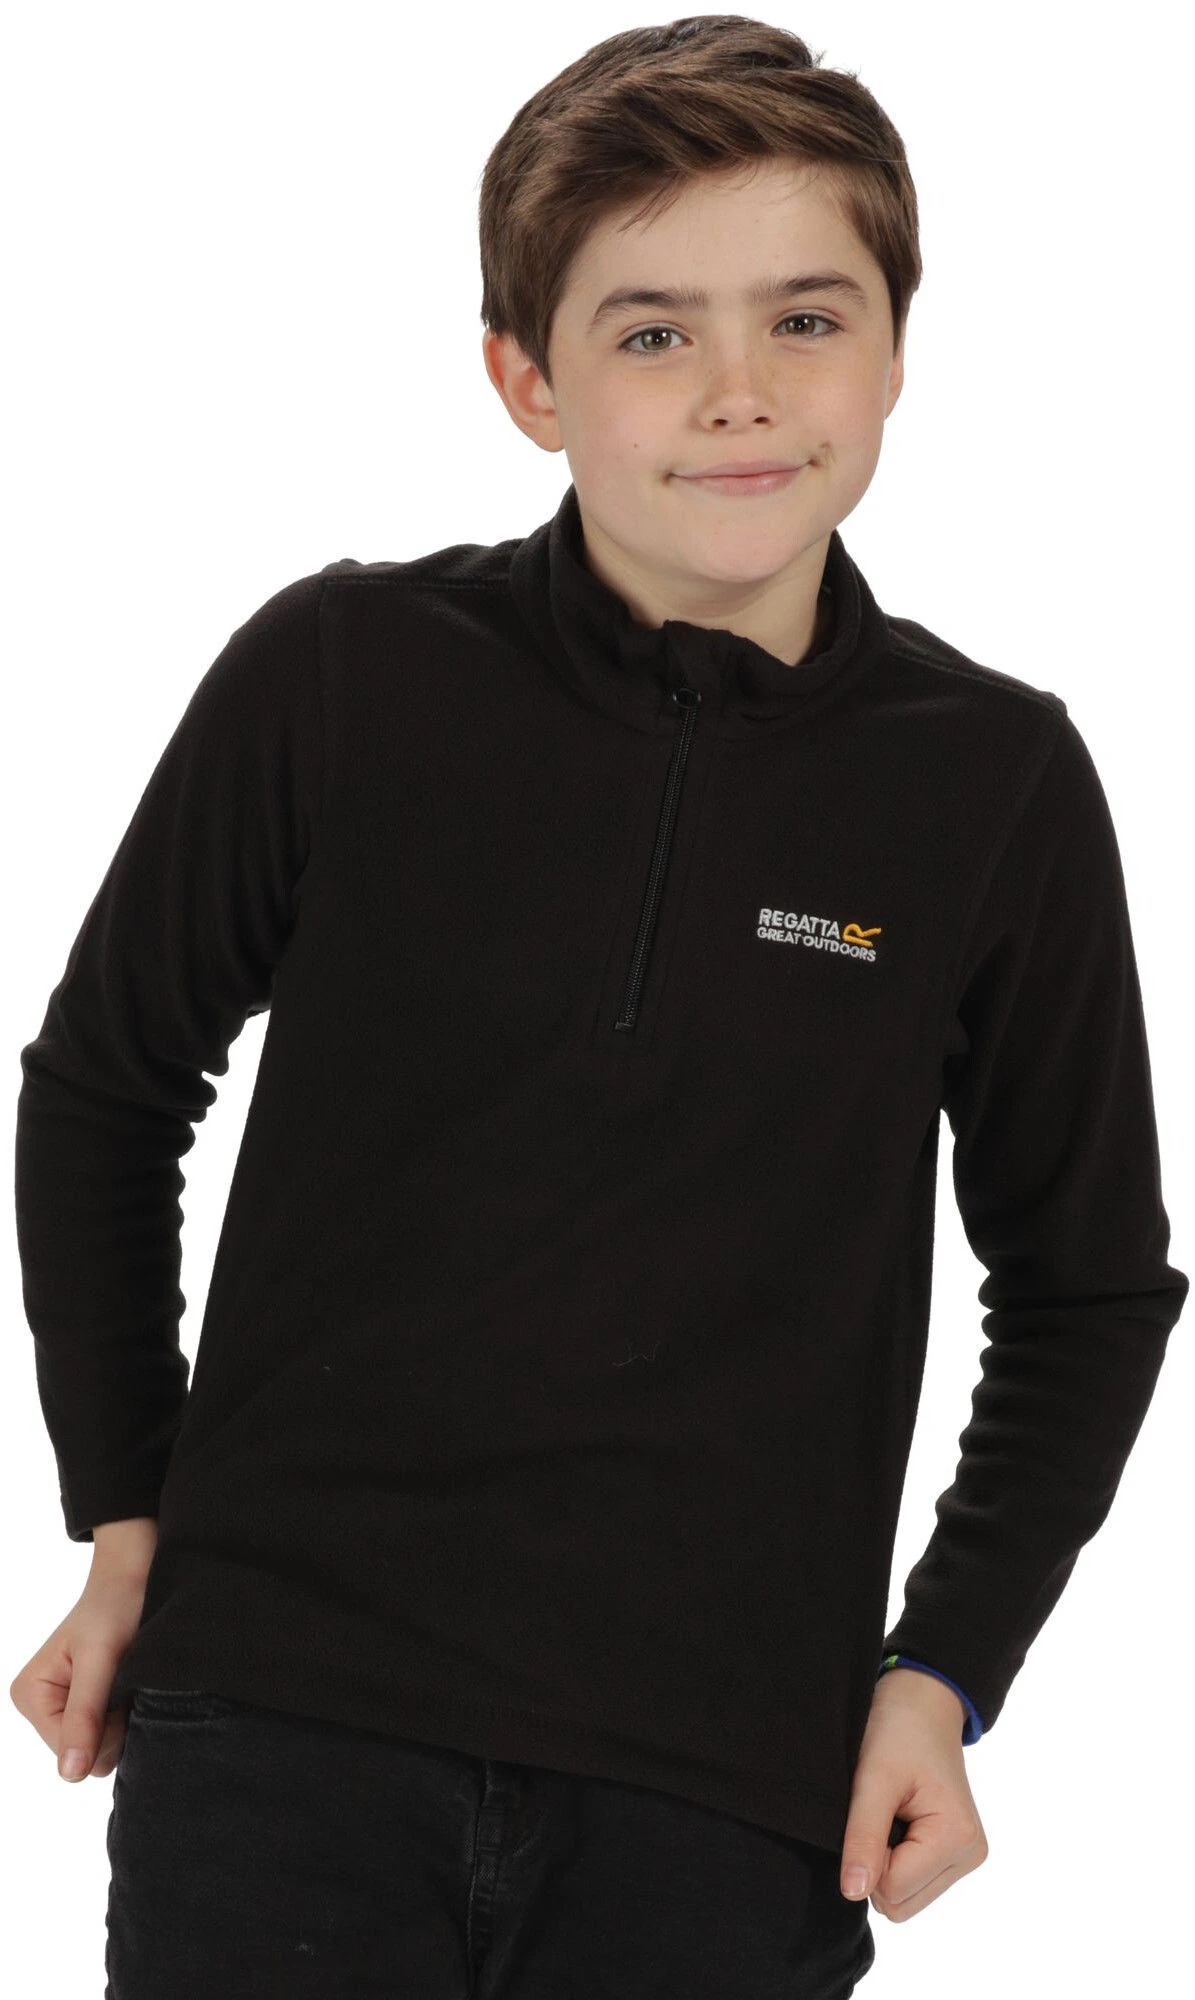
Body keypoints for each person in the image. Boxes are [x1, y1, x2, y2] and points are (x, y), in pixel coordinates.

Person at [10, 15, 1188, 1998]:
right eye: (652, 332)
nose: (739, 392)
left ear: (897, 352)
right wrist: (126, 1507)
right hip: (281, 1734)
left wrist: (942, 1672)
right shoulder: (341, 676)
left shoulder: (990, 784)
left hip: (725, 1799)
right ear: (526, 382)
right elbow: (108, 1091)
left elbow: (1086, 1285)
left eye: (804, 319)